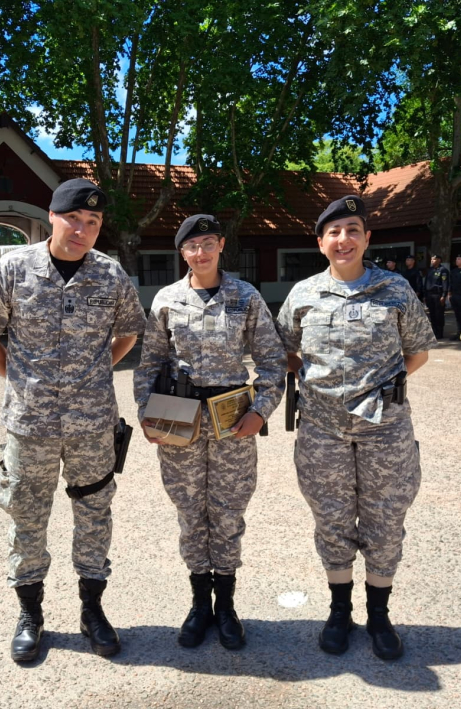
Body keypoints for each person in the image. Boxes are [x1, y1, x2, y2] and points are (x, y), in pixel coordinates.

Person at [0, 178, 146, 663]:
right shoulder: (13, 268)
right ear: (51, 216)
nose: (82, 229)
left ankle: (92, 610)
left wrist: (98, 367)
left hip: (92, 424)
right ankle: (30, 614)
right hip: (31, 425)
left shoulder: (110, 275)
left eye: (93, 222)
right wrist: (20, 381)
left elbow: (126, 333)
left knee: (95, 513)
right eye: (73, 219)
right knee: (26, 516)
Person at [276, 195, 435, 661]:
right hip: (322, 431)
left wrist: (379, 390)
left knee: (386, 520)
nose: (343, 240)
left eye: (352, 230)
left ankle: (380, 615)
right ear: (321, 242)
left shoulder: (395, 289)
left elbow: (419, 351)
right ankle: (340, 610)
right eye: (334, 232)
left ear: (367, 238)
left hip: (385, 429)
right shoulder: (303, 294)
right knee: (332, 520)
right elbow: (286, 350)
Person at [134, 214, 286, 650]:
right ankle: (200, 604)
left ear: (221, 245)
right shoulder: (167, 299)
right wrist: (147, 414)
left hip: (231, 420)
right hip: (179, 418)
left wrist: (261, 410)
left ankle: (227, 606)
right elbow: (149, 364)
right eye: (191, 246)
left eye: (207, 243)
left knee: (228, 512)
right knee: (189, 512)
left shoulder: (246, 297)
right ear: (181, 252)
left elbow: (273, 362)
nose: (200, 253)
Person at [423, 254, 449, 339]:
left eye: (433, 260)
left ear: (439, 260)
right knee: (432, 314)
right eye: (431, 260)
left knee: (439, 315)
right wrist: (425, 295)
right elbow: (426, 282)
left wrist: (444, 295)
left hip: (438, 295)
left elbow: (445, 283)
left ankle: (440, 333)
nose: (432, 261)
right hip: (429, 295)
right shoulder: (430, 270)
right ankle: (434, 332)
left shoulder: (443, 270)